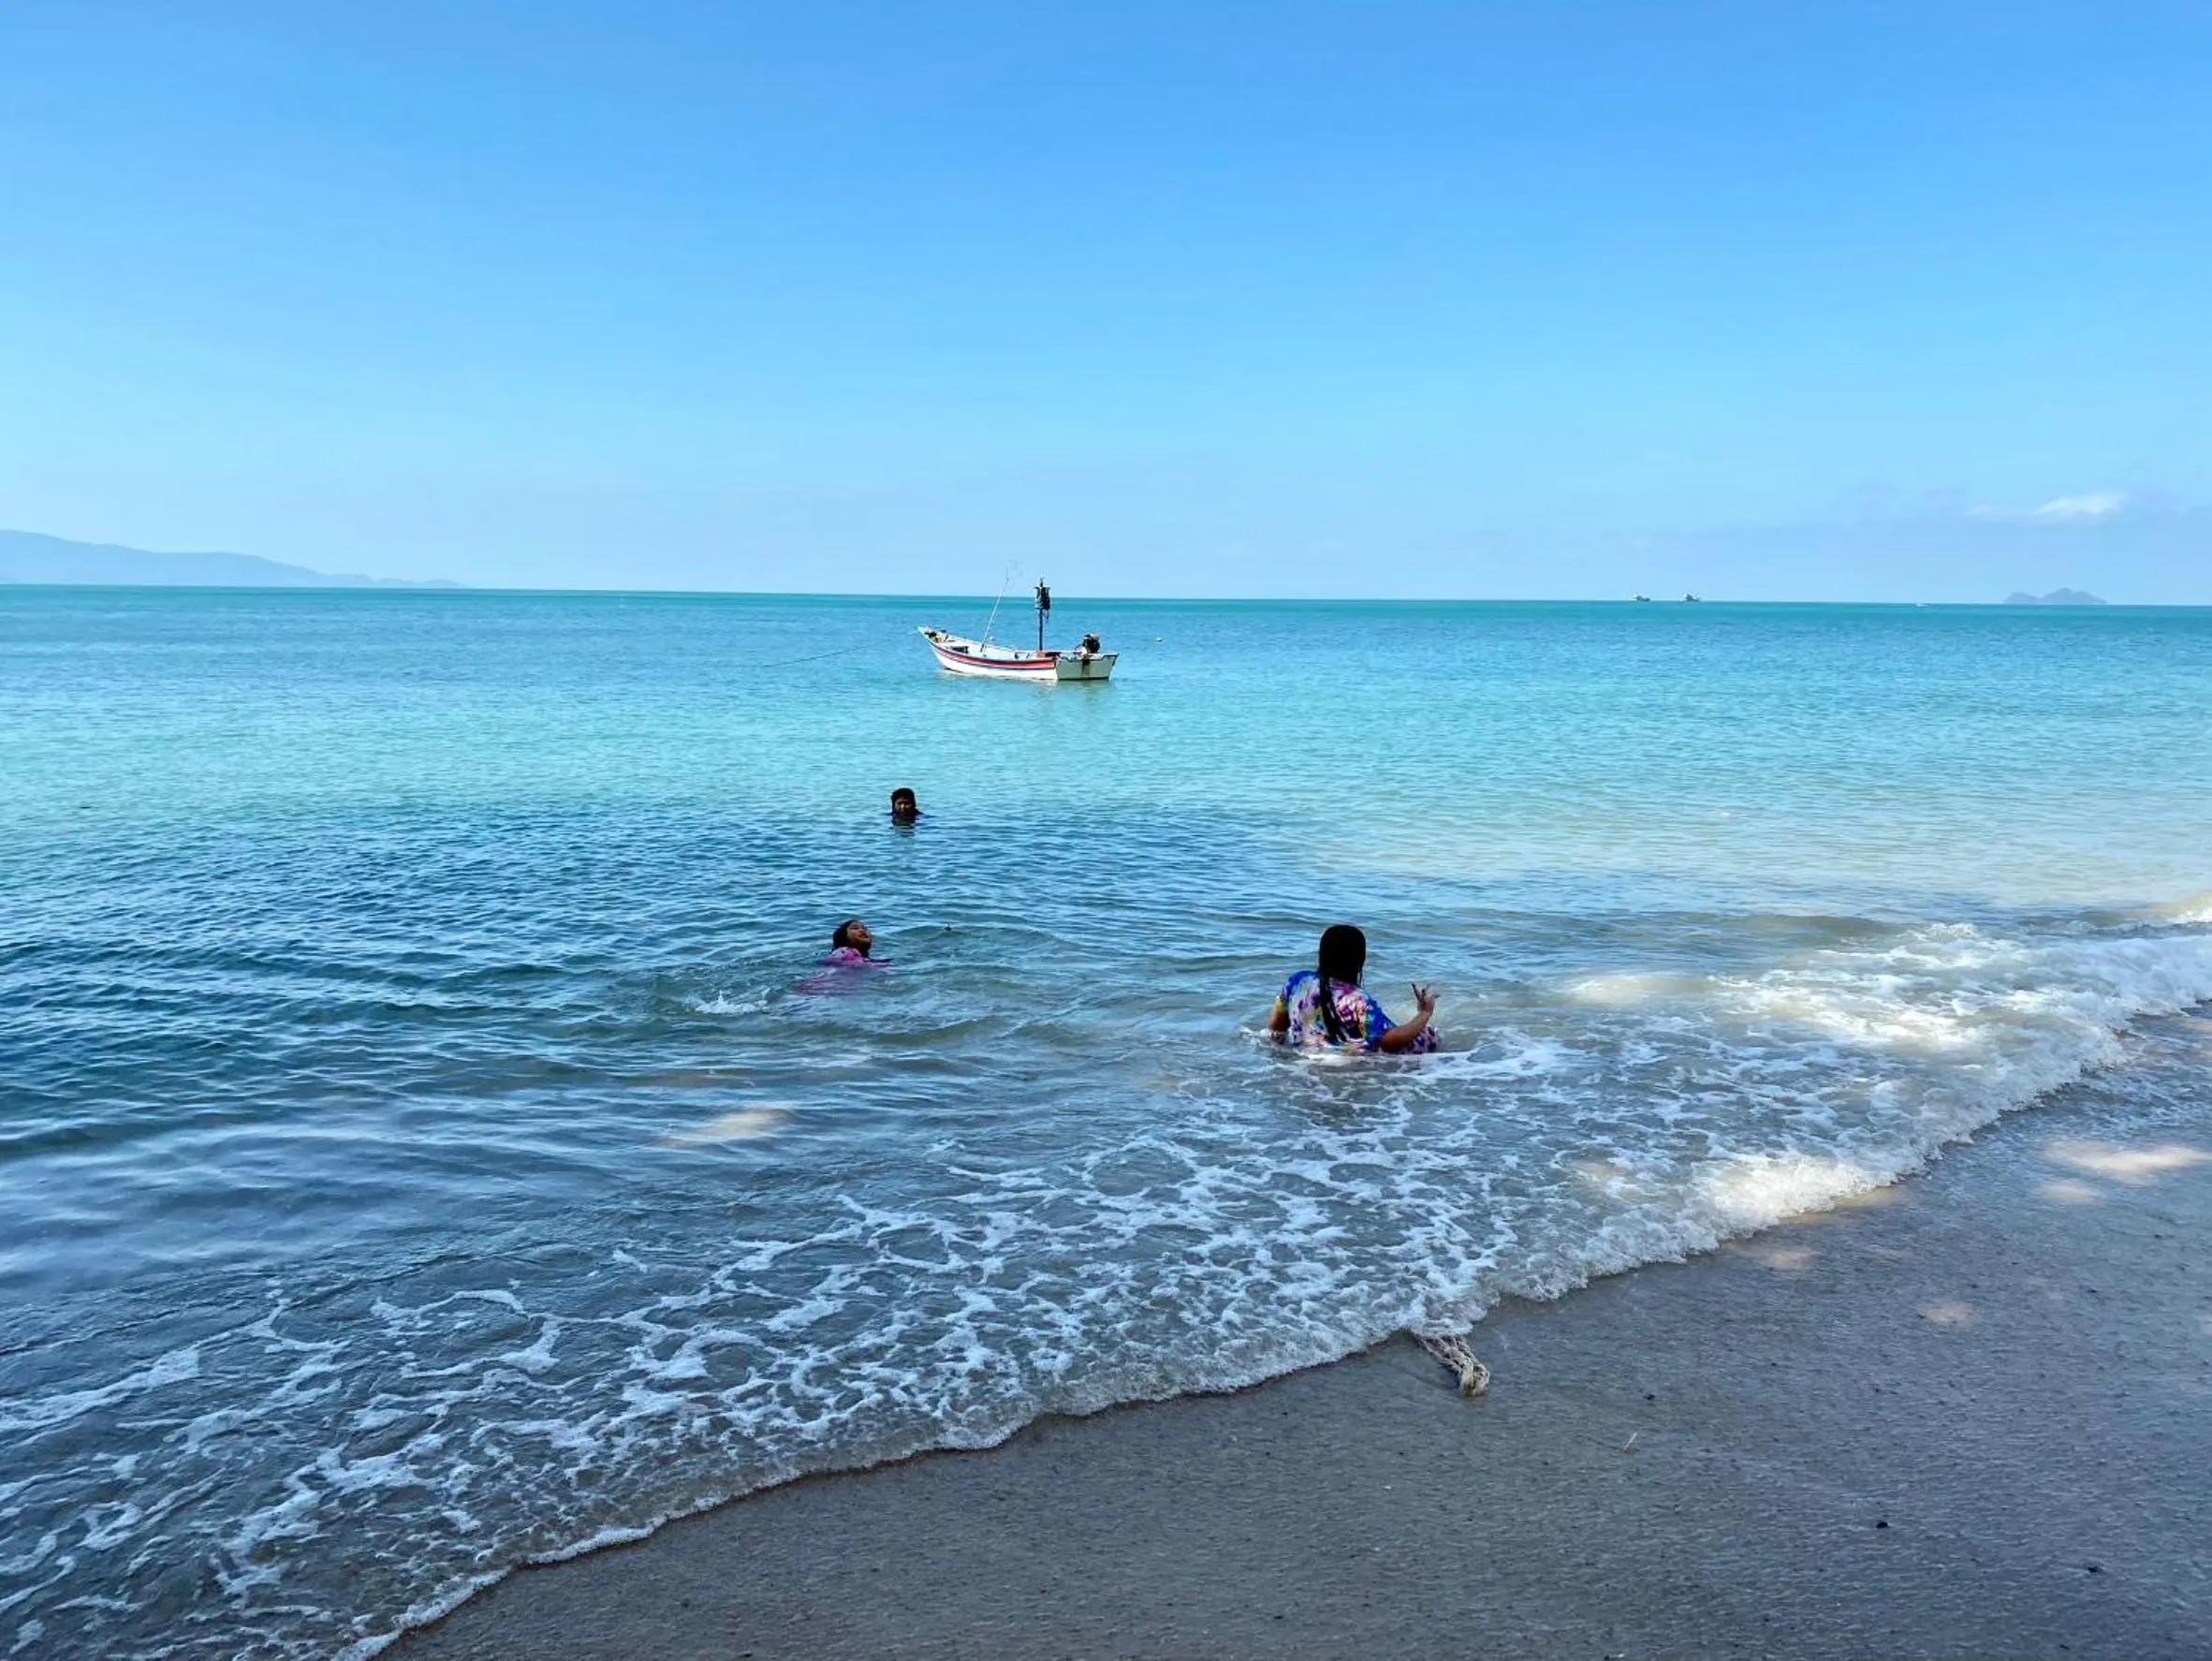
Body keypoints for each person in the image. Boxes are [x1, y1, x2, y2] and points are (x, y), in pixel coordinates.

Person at [1268, 923, 1438, 1053]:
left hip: (1310, 1056)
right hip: (1351, 1064)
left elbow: (1277, 1025)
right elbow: (1389, 1043)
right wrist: (1425, 1013)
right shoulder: (1356, 999)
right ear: (1359, 959)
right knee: (1430, 1035)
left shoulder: (1298, 981)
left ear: (1322, 954)